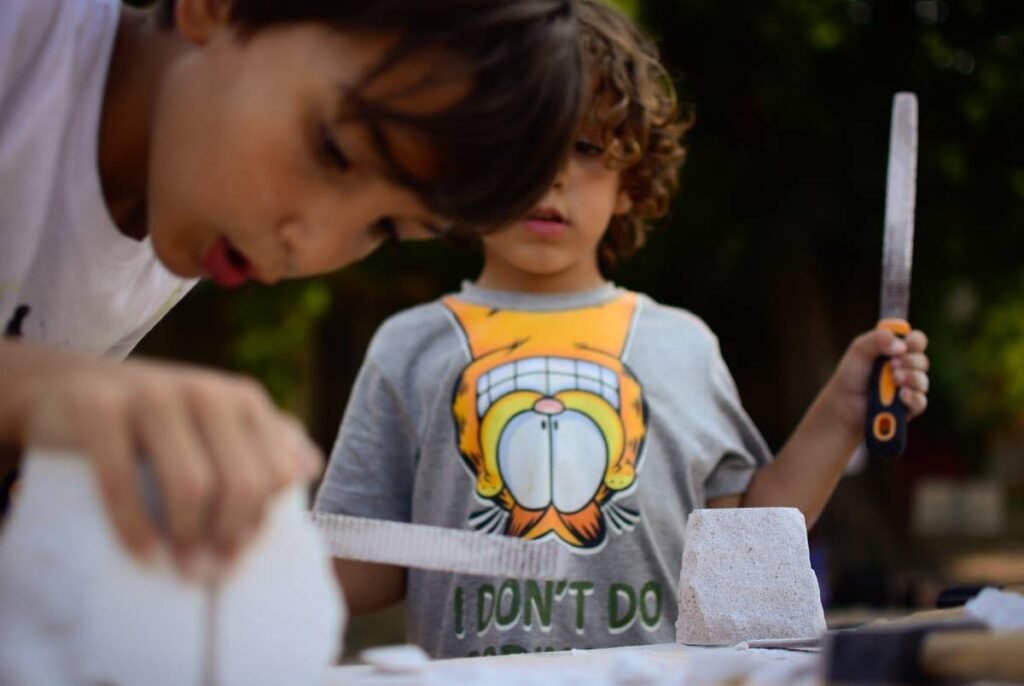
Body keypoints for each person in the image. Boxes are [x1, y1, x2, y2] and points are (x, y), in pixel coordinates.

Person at [314, 0, 931, 657]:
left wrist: (840, 413)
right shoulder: (407, 348)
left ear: (631, 180)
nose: (552, 176)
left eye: (585, 148)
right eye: (525, 143)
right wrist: (239, 549)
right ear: (469, 163)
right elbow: (361, 570)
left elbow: (748, 535)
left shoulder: (682, 346)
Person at [0, 0, 583, 575]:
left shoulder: (176, 213)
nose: (311, 246)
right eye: (332, 151)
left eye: (383, 227)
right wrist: (45, 388)